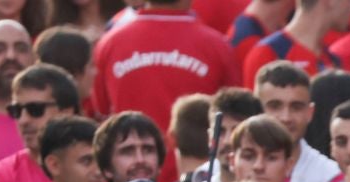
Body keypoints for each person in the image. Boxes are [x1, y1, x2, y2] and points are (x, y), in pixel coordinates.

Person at [91, 0, 239, 140]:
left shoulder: (109, 44)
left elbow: (100, 111)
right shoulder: (217, 46)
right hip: (197, 160)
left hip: (130, 160)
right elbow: (236, 114)